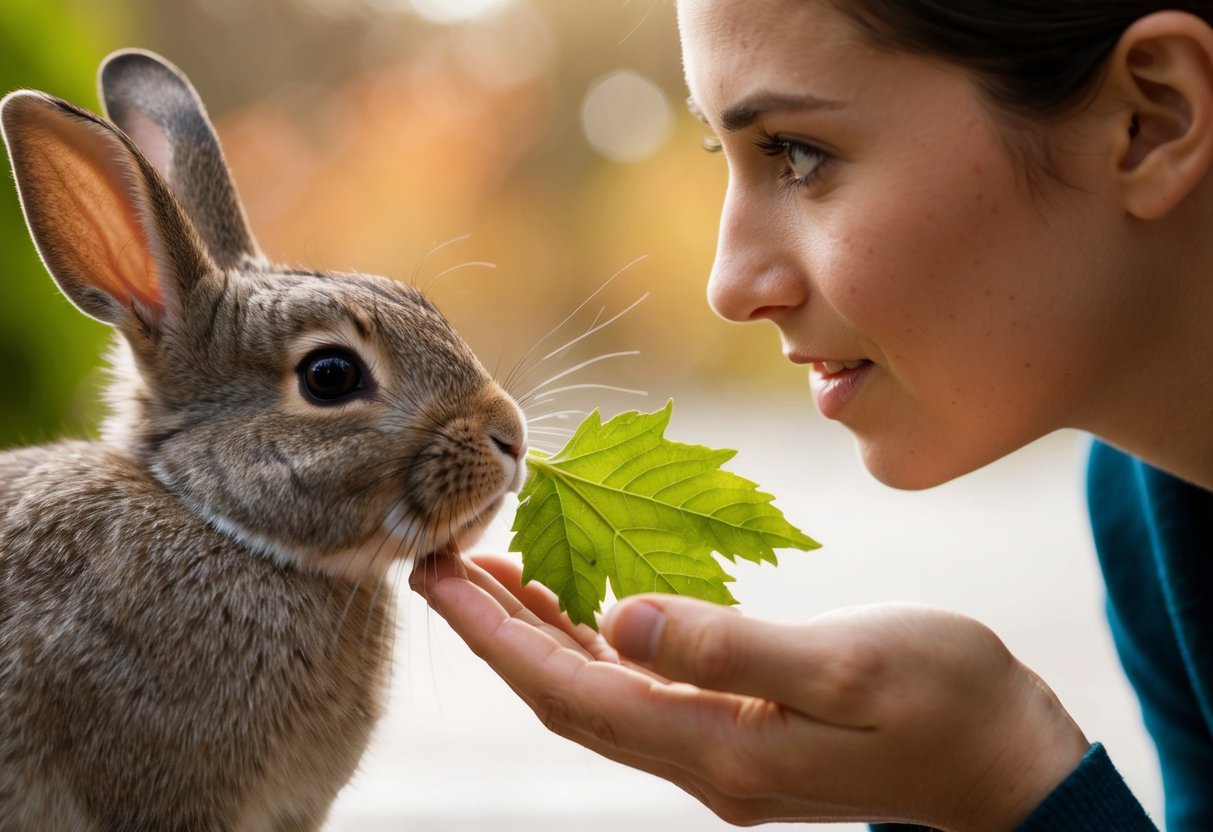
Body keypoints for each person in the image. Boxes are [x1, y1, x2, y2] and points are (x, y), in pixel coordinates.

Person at [410, 1, 1213, 829]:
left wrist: (1005, 782)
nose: (727, 286)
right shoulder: (1146, 511)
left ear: (1150, 118)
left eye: (797, 155)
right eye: (712, 149)